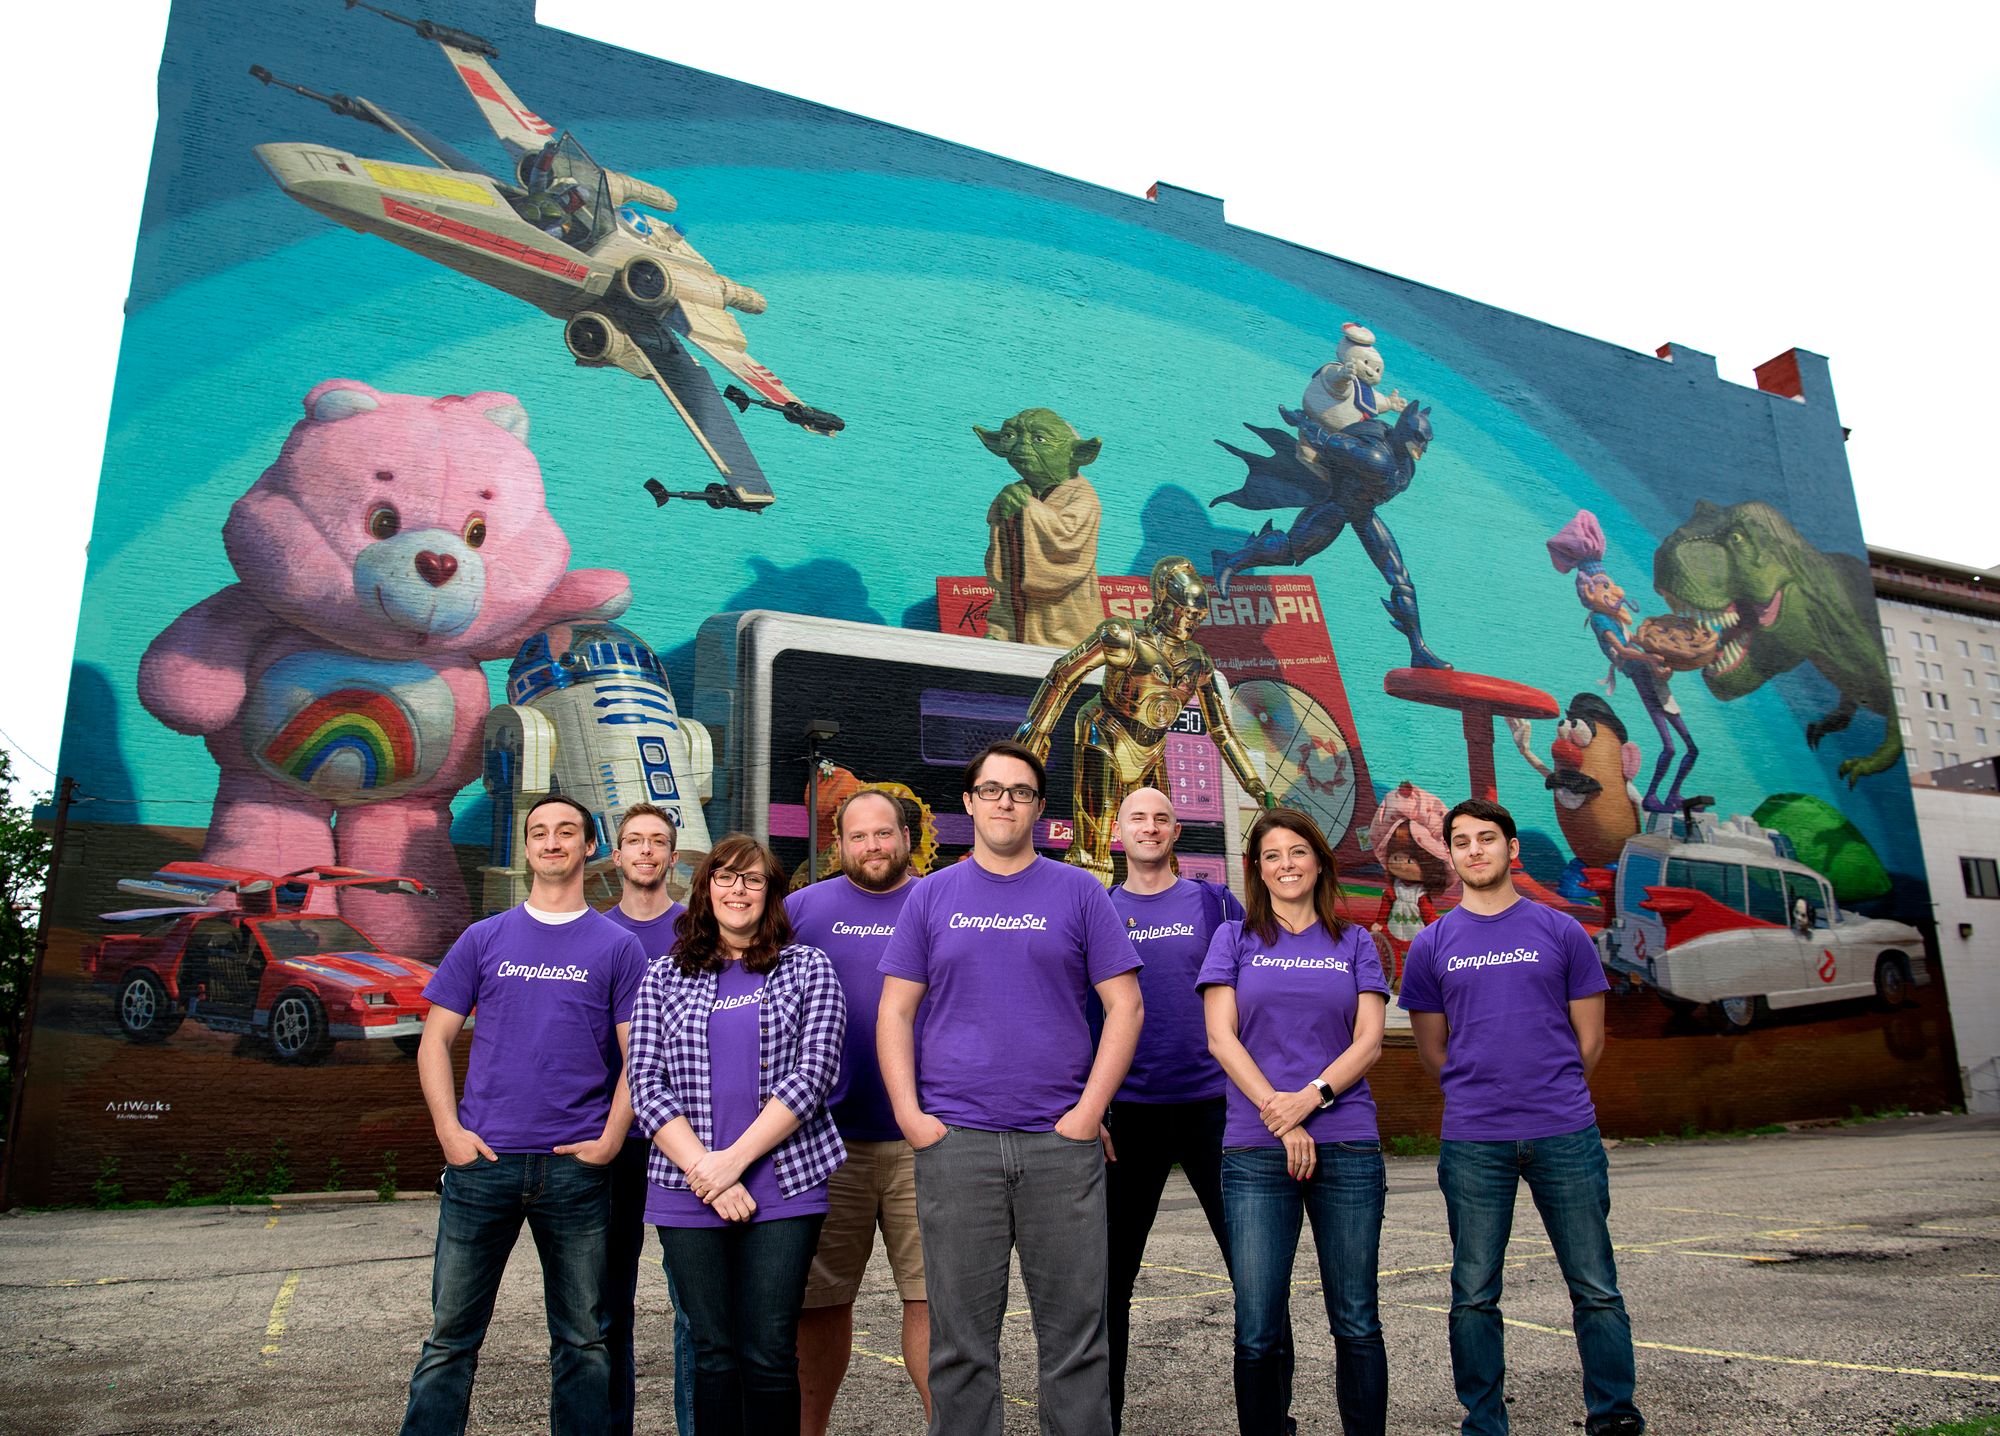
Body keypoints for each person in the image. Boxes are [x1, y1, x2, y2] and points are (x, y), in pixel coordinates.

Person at [877, 739, 1144, 1436]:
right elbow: (895, 1010)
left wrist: (1088, 1113)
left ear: (1038, 807)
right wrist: (911, 1116)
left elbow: (1127, 1005)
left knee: (1076, 1344)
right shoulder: (931, 894)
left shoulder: (1080, 891)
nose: (1004, 802)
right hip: (954, 1144)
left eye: (1019, 792)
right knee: (960, 1347)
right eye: (991, 790)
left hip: (1060, 1146)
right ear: (968, 803)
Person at [399, 793, 647, 1436]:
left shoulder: (617, 947)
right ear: (527, 846)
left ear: (590, 846)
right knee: (450, 1338)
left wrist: (610, 1139)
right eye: (540, 832)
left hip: (576, 1172)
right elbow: (433, 1041)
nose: (553, 841)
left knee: (584, 1342)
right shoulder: (484, 938)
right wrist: (449, 1133)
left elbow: (637, 1057)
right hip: (484, 1166)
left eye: (568, 831)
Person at [1399, 798, 1644, 1436]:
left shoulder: (1561, 931)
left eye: (1487, 838)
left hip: (1565, 1132)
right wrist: (1485, 1094)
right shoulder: (1432, 943)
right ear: (1449, 855)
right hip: (1475, 1141)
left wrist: (1548, 1091)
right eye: (1461, 841)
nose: (1474, 850)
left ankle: (1613, 1417)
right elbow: (1433, 1052)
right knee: (1474, 1291)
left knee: (1594, 1287)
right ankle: (1485, 1423)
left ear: (1512, 850)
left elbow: (1589, 1040)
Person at [626, 834, 846, 1436]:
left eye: (751, 879)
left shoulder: (807, 968)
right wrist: (707, 1172)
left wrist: (733, 1163)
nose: (737, 889)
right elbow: (645, 1083)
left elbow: (815, 1073)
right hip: (685, 1187)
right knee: (712, 1351)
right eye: (724, 877)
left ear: (771, 892)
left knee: (769, 1352)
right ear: (706, 891)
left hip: (785, 1185)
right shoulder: (665, 975)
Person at [1199, 807, 1390, 1436]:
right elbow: (1223, 1041)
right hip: (1255, 1149)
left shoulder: (1355, 940)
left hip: (1347, 1144)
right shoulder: (1234, 938)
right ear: (1257, 868)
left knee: (1356, 1318)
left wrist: (1309, 1099)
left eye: (1298, 852)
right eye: (1273, 855)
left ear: (1319, 861)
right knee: (1257, 1324)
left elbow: (1368, 1043)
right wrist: (1282, 1118)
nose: (1287, 865)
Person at [788, 789, 933, 1434]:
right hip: (825, 1143)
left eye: (884, 834)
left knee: (933, 1300)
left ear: (907, 836)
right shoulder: (799, 911)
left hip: (925, 1139)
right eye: (857, 836)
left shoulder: (942, 901)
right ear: (838, 844)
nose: (872, 847)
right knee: (818, 1304)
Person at [1101, 786, 1242, 1432]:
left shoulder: (1214, 904)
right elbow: (1083, 1014)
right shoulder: (1097, 911)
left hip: (1215, 1109)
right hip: (1126, 1115)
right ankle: (1103, 1419)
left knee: (1255, 1278)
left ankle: (1270, 1417)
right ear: (1117, 831)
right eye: (1138, 818)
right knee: (1109, 1285)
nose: (1150, 827)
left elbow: (1253, 994)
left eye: (1162, 818)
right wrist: (1091, 1104)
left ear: (1176, 831)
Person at [600, 802, 694, 1436]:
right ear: (616, 855)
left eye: (658, 841)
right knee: (606, 1305)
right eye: (634, 841)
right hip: (612, 1144)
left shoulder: (700, 931)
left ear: (672, 854)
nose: (645, 851)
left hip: (686, 1140)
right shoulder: (591, 932)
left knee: (694, 1305)